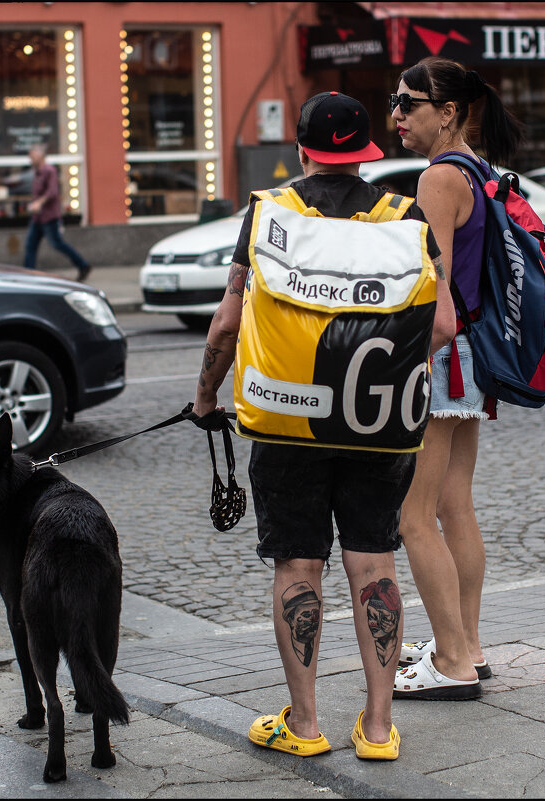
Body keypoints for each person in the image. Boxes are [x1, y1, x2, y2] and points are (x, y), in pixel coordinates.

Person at [188, 91, 454, 761]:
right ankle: (377, 727)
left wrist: (204, 395)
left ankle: (304, 726)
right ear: (366, 151)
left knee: (299, 561)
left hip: (285, 421)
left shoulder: (270, 214)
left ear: (302, 149)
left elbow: (225, 323)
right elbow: (445, 324)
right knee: (375, 558)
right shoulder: (405, 217)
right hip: (380, 423)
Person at [390, 58, 523, 700]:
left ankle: (450, 663)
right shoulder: (477, 168)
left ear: (446, 112)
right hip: (474, 357)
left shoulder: (438, 177)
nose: (395, 116)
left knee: (413, 514)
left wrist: (405, 365)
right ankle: (468, 643)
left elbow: (435, 303)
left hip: (443, 356)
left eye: (407, 104)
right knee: (454, 503)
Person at [23, 144, 91, 281]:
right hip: (38, 218)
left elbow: (52, 192)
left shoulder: (49, 171)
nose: (30, 160)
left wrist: (39, 203)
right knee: (30, 245)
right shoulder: (37, 173)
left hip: (49, 217)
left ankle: (83, 265)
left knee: (57, 244)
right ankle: (27, 275)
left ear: (40, 156)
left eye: (32, 157)